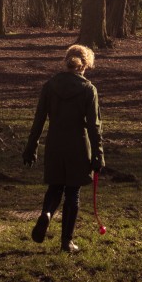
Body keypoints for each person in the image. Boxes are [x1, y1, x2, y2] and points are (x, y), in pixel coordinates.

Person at [23, 44, 105, 253]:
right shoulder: (88, 89)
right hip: (78, 145)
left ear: (67, 61)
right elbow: (94, 126)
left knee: (54, 187)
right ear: (85, 65)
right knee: (73, 194)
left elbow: (39, 119)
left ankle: (47, 214)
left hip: (55, 144)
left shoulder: (50, 85)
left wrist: (32, 146)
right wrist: (98, 155)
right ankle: (66, 241)